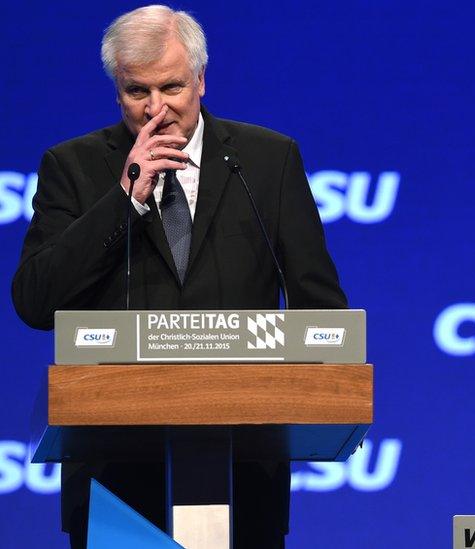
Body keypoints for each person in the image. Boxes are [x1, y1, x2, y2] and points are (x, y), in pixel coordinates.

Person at [11, 5, 346, 548]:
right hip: (113, 480)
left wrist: (324, 386)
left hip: (246, 471)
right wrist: (124, 199)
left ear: (201, 80)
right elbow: (34, 302)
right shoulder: (72, 168)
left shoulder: (266, 161)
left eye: (172, 87)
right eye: (137, 92)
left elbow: (320, 306)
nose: (156, 109)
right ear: (116, 90)